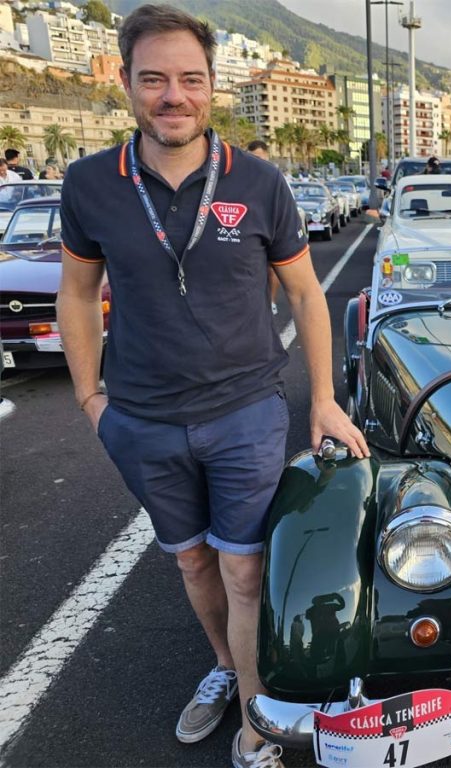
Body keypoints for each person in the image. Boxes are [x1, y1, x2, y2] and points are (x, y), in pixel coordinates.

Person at [56, 6, 368, 768]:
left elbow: (304, 295)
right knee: (193, 562)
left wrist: (322, 398)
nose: (173, 95)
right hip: (140, 420)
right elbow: (76, 292)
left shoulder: (259, 181)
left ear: (211, 87)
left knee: (244, 566)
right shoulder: (91, 183)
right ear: (125, 82)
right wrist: (90, 399)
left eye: (189, 79)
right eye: (154, 78)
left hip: (245, 413)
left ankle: (258, 715)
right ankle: (225, 669)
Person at [246, 139, 281, 315]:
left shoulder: (275, 179)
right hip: (247, 229)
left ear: (267, 157)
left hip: (270, 228)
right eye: (252, 157)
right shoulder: (240, 178)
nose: (256, 161)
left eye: (260, 157)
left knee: (272, 267)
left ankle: (271, 301)